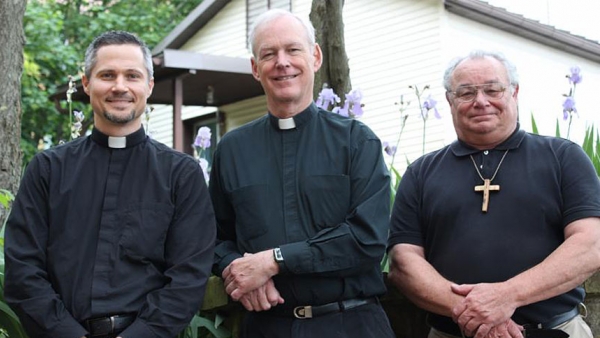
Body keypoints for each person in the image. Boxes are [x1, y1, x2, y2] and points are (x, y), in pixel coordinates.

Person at [4, 31, 216, 338]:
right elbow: (23, 269)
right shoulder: (47, 170)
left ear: (149, 86)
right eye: (107, 75)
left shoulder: (181, 175)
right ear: (87, 83)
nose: (120, 86)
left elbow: (188, 278)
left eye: (132, 75)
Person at [387, 50, 600, 338]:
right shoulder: (421, 173)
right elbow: (403, 261)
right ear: (450, 100)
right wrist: (477, 313)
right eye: (466, 92)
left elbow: (591, 243)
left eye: (492, 89)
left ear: (514, 92)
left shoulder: (563, 157)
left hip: (556, 330)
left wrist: (507, 296)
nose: (481, 101)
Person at [209, 9, 395, 338]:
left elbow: (366, 239)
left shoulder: (356, 141)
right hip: (267, 327)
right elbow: (214, 238)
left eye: (293, 50)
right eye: (268, 54)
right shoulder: (232, 150)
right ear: (255, 68)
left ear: (315, 56)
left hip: (350, 323)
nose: (282, 62)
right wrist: (235, 269)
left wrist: (274, 260)